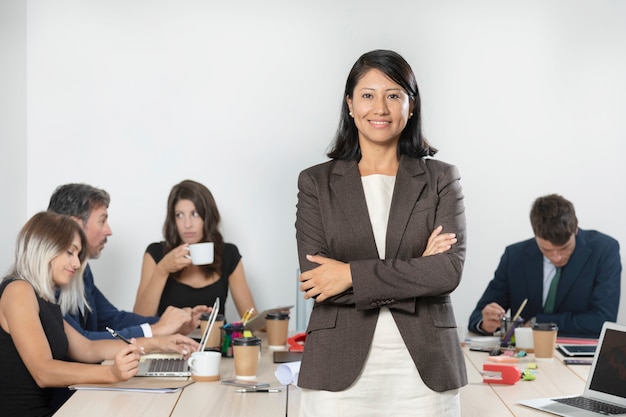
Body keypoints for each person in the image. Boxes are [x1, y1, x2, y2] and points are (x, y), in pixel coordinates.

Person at [295, 49, 467, 417]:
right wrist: (417, 270)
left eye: (393, 95)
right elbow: (317, 282)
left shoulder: (440, 178)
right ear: (350, 105)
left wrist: (349, 274)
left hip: (425, 371)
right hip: (337, 370)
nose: (381, 108)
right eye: (368, 95)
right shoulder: (315, 182)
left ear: (411, 105)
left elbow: (447, 272)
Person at [0, 212, 198, 417]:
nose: (77, 264)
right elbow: (44, 371)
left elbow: (88, 348)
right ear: (44, 248)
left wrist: (160, 342)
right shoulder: (18, 291)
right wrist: (111, 373)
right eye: (70, 252)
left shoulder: (43, 298)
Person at [47, 183, 209, 341]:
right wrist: (155, 330)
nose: (109, 231)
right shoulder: (50, 277)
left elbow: (112, 320)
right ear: (75, 225)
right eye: (102, 221)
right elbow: (81, 343)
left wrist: (172, 323)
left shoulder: (83, 270)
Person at [468, 194, 621, 338]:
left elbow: (603, 320)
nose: (557, 257)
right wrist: (485, 323)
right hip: (526, 356)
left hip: (580, 355)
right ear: (536, 236)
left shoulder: (604, 250)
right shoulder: (514, 256)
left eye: (564, 248)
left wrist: (538, 323)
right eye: (547, 250)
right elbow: (477, 317)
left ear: (576, 229)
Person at [133, 179, 257, 318]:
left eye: (195, 214)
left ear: (208, 217)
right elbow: (138, 320)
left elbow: (250, 317)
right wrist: (162, 270)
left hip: (216, 339)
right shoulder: (156, 253)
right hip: (170, 340)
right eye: (179, 215)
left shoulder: (228, 254)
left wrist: (270, 320)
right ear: (173, 220)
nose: (187, 224)